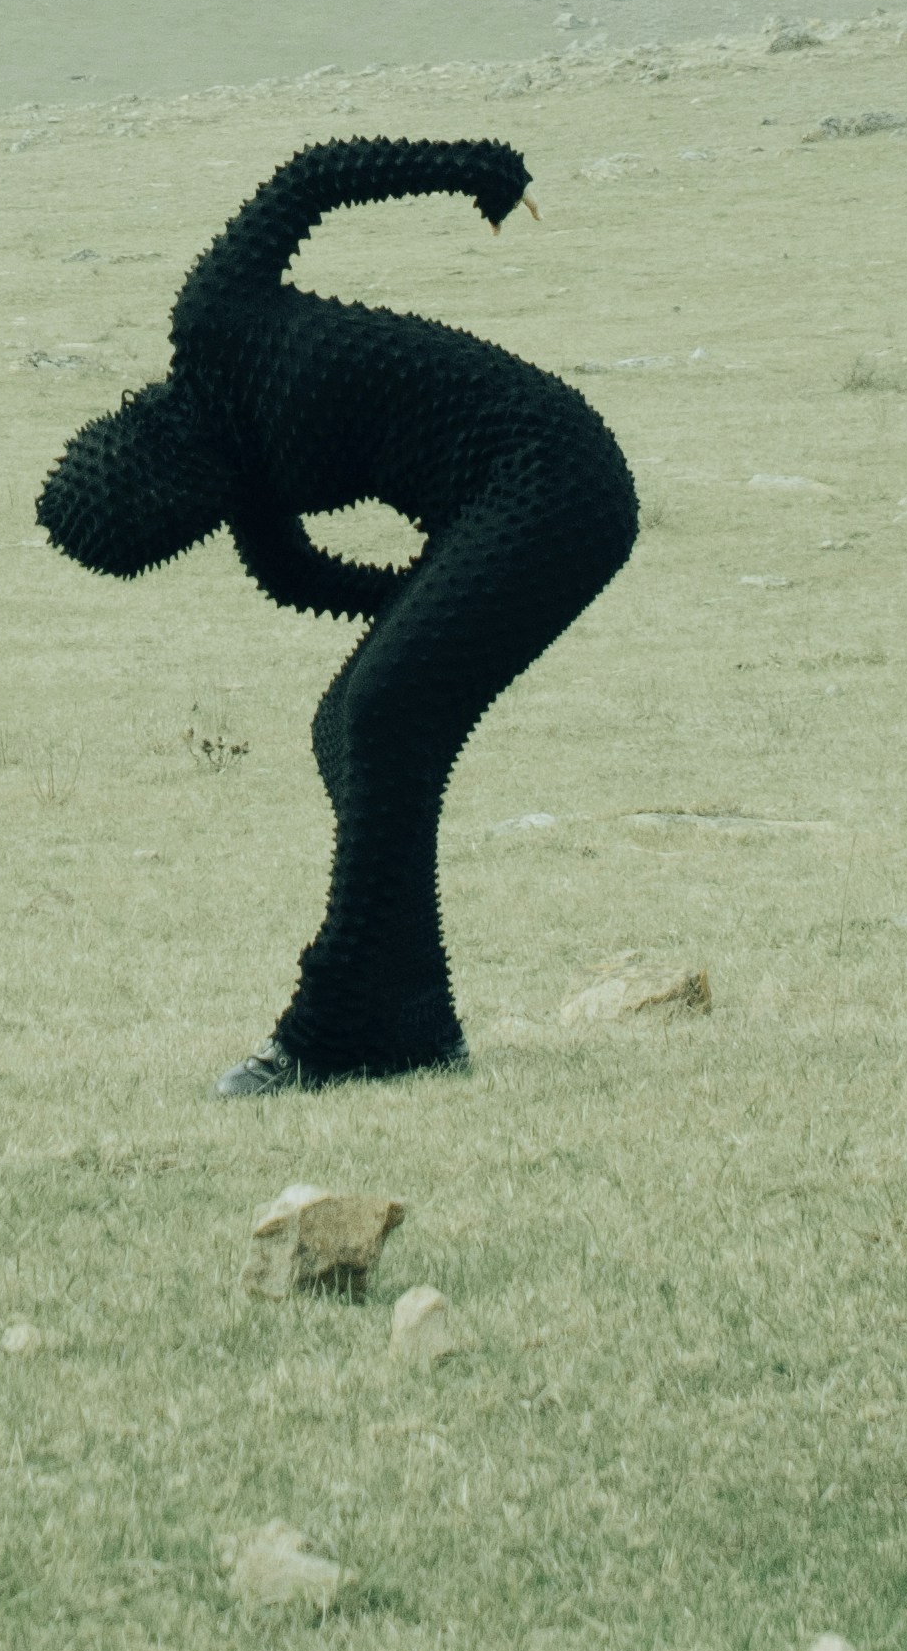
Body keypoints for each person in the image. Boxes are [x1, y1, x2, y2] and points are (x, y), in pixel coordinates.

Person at [36, 134, 638, 1091]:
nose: (187, 521)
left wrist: (482, 168)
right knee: (343, 727)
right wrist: (419, 606)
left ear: (138, 438)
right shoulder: (238, 481)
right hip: (486, 514)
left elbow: (309, 179)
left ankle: (328, 1029)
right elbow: (301, 580)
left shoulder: (215, 318)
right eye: (171, 536)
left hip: (554, 471)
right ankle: (416, 1021)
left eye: (162, 515)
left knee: (384, 713)